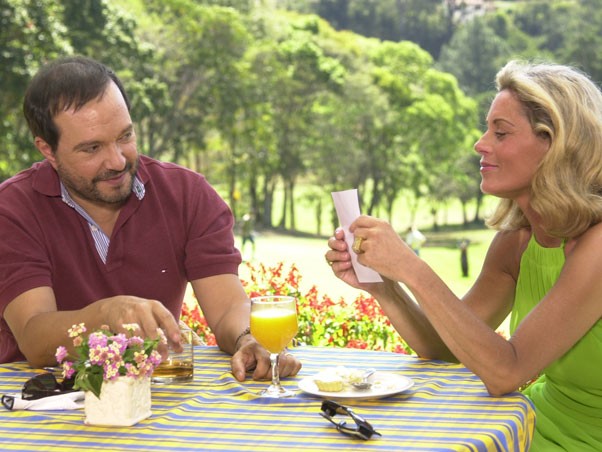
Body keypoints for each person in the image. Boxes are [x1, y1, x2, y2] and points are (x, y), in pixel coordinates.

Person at [325, 60, 602, 451]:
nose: (481, 143)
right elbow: (448, 349)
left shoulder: (597, 246)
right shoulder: (517, 242)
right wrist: (386, 287)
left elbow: (506, 372)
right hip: (527, 427)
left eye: (500, 132)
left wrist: (413, 268)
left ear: (554, 143)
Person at [0, 56, 301, 383]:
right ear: (47, 150)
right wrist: (107, 314)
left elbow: (229, 307)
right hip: (37, 409)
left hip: (157, 397)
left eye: (125, 137)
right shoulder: (12, 209)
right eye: (92, 149)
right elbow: (33, 336)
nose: (116, 161)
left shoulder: (188, 194)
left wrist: (248, 338)